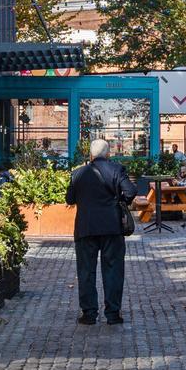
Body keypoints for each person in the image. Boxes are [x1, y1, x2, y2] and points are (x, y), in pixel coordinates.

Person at [67, 138, 136, 325]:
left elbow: (70, 199)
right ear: (108, 154)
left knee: (86, 271)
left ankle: (89, 313)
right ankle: (113, 314)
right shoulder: (117, 170)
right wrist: (119, 201)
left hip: (85, 227)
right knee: (113, 269)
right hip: (111, 226)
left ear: (91, 155)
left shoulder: (78, 173)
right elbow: (130, 191)